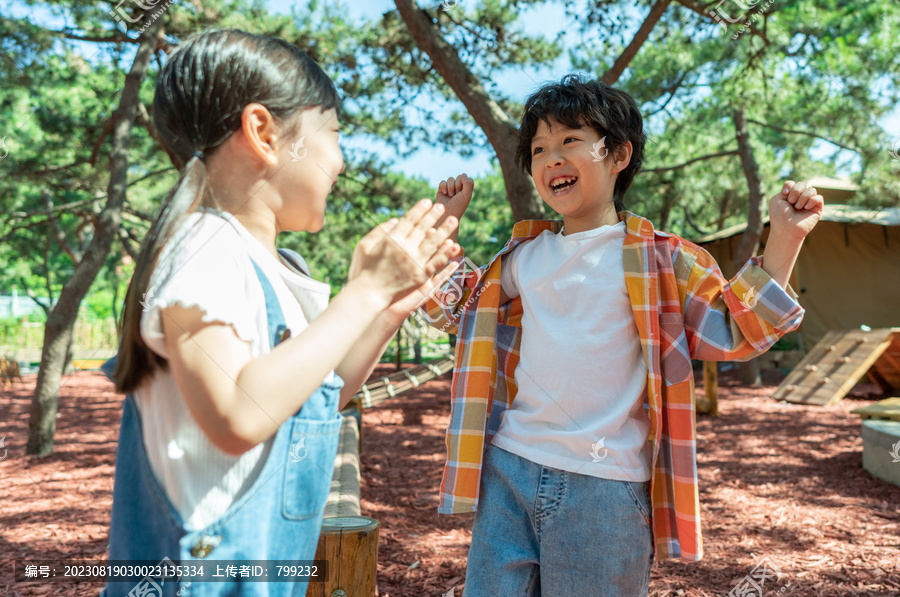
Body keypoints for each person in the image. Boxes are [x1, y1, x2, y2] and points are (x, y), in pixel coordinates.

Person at [423, 75, 823, 595]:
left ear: (618, 155)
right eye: (539, 148)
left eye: (570, 141)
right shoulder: (523, 256)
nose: (551, 159)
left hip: (606, 487)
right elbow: (460, 312)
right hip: (508, 469)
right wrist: (443, 227)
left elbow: (734, 330)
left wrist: (785, 237)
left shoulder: (662, 258)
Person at [103, 28, 460, 597]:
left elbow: (316, 393)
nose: (341, 162)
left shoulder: (273, 265)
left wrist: (389, 309)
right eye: (335, 133)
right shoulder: (204, 247)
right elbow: (238, 414)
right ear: (264, 132)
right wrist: (361, 294)